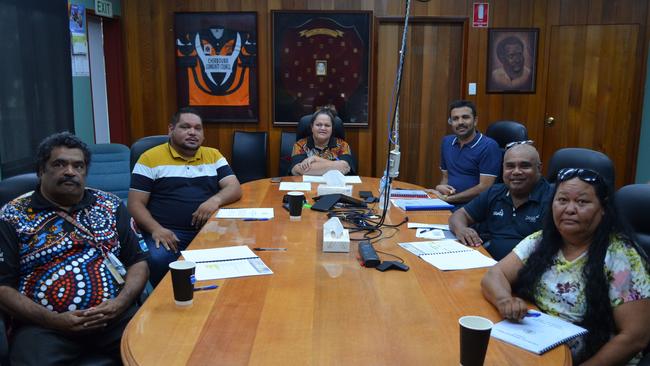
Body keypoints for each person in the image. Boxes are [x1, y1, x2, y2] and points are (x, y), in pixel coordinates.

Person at [0, 132, 149, 364]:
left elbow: (138, 262)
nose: (70, 171)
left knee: (159, 350)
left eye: (77, 165)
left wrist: (120, 304)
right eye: (59, 164)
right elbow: (2, 287)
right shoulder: (12, 215)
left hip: (114, 317)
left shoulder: (109, 205)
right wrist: (54, 320)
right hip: (45, 327)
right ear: (41, 170)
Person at [481, 168, 650, 364]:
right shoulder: (542, 240)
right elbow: (495, 274)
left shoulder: (621, 256)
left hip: (593, 355)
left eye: (582, 202)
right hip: (536, 342)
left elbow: (635, 337)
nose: (569, 209)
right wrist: (504, 300)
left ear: (603, 209)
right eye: (562, 200)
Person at [129, 108, 242, 286]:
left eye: (198, 128)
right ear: (171, 129)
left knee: (239, 255)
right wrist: (156, 229)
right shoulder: (149, 158)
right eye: (185, 127)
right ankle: (167, 301)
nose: (192, 132)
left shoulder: (213, 155)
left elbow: (234, 187)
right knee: (158, 259)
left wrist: (215, 200)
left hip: (209, 230)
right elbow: (135, 204)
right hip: (168, 232)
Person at [449, 142, 553, 260]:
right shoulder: (495, 192)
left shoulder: (552, 199)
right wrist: (461, 229)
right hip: (485, 262)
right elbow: (460, 215)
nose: (516, 172)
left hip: (527, 269)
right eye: (510, 166)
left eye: (524, 166)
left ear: (539, 169)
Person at [434, 100, 502, 204]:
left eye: (465, 117)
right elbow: (445, 177)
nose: (460, 122)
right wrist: (441, 187)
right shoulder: (446, 142)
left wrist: (449, 199)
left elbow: (485, 187)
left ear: (475, 120)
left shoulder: (489, 146)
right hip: (448, 201)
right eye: (455, 119)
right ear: (451, 122)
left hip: (474, 206)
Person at [290, 107, 355, 176]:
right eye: (318, 125)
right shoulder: (300, 145)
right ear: (312, 127)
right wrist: (335, 165)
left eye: (327, 125)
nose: (323, 128)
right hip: (308, 185)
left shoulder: (342, 145)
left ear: (332, 128)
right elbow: (298, 170)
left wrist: (315, 159)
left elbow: (344, 167)